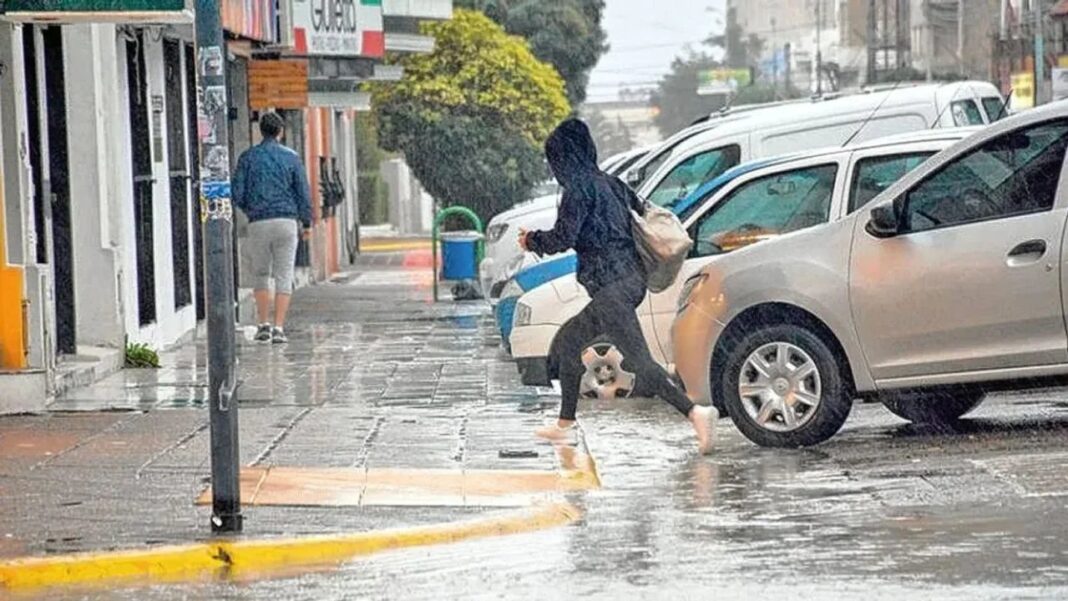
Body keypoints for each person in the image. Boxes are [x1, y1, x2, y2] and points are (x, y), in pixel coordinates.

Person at [519, 119, 718, 454]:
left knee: (640, 363)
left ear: (563, 159)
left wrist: (531, 240)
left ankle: (696, 413)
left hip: (612, 286)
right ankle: (565, 425)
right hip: (629, 280)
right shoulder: (611, 183)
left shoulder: (578, 189)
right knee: (569, 344)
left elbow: (563, 236)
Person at [233, 112, 313, 344]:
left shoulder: (248, 158)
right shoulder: (291, 158)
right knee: (284, 275)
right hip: (287, 222)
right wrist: (305, 222)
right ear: (281, 131)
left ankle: (263, 324)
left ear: (261, 130)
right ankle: (279, 327)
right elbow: (303, 193)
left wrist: (251, 209)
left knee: (261, 274)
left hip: (258, 222)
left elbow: (237, 192)